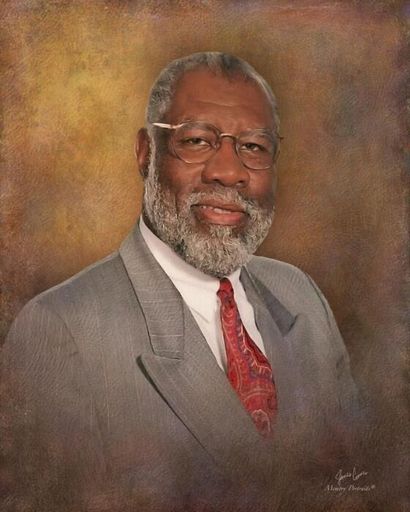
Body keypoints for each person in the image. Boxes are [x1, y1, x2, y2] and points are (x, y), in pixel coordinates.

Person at [1, 52, 359, 512]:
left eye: (254, 147)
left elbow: (356, 483)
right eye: (197, 141)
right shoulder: (58, 331)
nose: (229, 172)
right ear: (145, 153)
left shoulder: (301, 296)